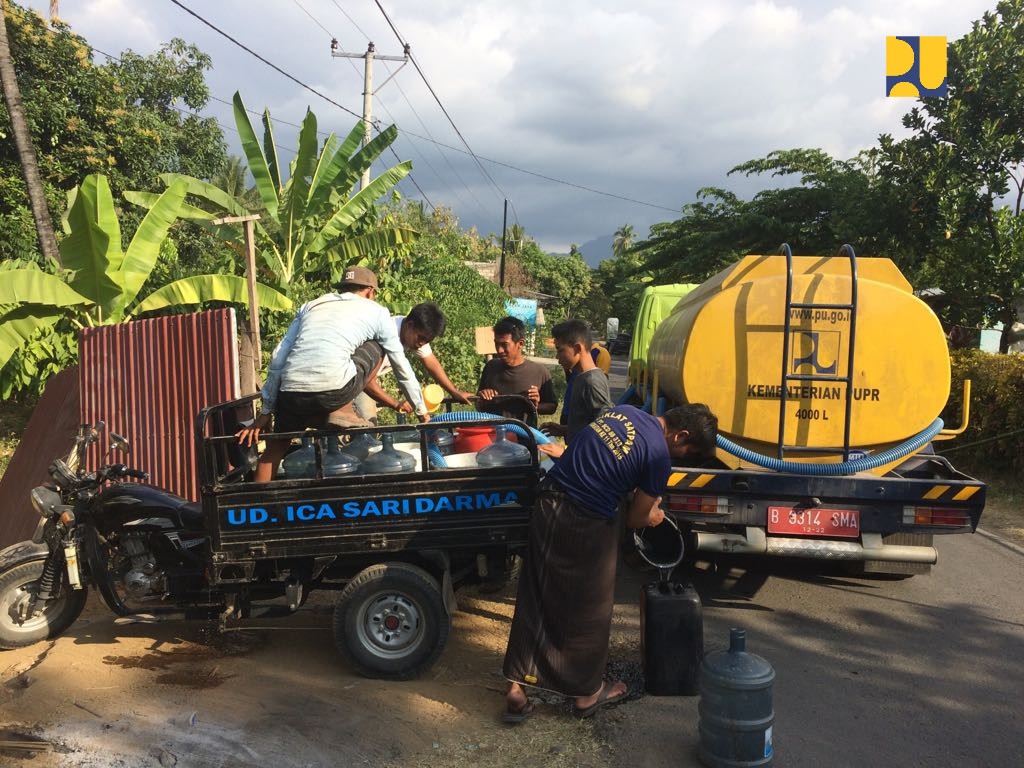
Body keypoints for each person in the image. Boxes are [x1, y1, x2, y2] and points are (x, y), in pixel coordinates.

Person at [502, 403, 718, 723]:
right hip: (584, 521)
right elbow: (635, 518)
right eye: (686, 451)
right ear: (680, 435)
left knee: (536, 590)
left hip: (548, 503)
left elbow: (604, 460)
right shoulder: (659, 455)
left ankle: (516, 688)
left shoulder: (625, 412)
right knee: (590, 607)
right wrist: (655, 516)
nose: (680, 457)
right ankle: (587, 694)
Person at [236, 266, 431, 482]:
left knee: (274, 451)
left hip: (291, 393)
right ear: (370, 292)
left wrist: (266, 411)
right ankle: (342, 410)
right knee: (378, 345)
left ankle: (258, 509)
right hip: (335, 392)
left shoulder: (311, 305)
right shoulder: (378, 312)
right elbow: (400, 366)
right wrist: (421, 411)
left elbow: (279, 357)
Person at [353, 302, 473, 422]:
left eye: (427, 341)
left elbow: (432, 363)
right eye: (421, 338)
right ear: (410, 325)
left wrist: (454, 391)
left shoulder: (412, 334)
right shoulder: (386, 335)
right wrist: (396, 404)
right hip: (350, 378)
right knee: (364, 429)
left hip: (364, 378)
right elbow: (368, 381)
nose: (422, 343)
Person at [540, 319, 612, 454]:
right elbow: (588, 425)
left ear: (578, 348)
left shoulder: (592, 381)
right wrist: (565, 429)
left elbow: (604, 430)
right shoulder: (580, 378)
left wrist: (565, 452)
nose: (557, 357)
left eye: (560, 350)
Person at [477, 316, 557, 422]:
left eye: (504, 345)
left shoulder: (539, 372)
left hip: (525, 435)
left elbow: (552, 407)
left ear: (520, 344)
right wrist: (483, 397)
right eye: (496, 344)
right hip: (493, 435)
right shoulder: (491, 367)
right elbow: (478, 404)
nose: (499, 350)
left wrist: (534, 405)